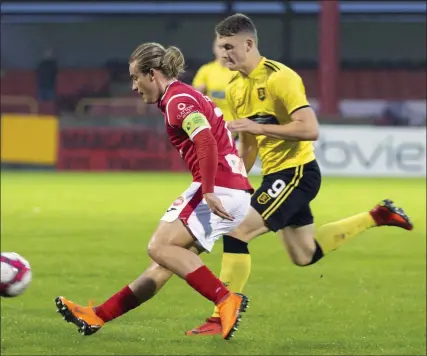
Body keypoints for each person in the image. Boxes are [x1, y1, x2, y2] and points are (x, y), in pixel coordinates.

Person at [185, 13, 414, 336]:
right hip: (275, 176)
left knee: (237, 232)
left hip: (298, 173)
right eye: (220, 47)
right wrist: (234, 181)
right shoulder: (235, 87)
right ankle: (378, 215)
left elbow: (310, 129)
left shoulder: (280, 78)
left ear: (249, 44)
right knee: (304, 255)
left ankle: (221, 313)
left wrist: (255, 126)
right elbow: (248, 143)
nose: (223, 54)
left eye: (229, 46)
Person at [54, 42, 253, 340]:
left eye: (136, 78)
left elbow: (207, 141)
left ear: (153, 74)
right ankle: (98, 316)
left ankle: (225, 299)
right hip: (233, 188)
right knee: (163, 263)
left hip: (219, 186)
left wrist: (209, 189)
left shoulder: (178, 100)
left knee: (159, 247)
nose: (134, 86)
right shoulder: (180, 97)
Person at [192, 38, 235, 123]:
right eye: (220, 47)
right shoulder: (205, 71)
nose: (223, 51)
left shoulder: (240, 72)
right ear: (214, 49)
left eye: (227, 47)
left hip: (236, 127)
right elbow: (194, 99)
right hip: (213, 125)